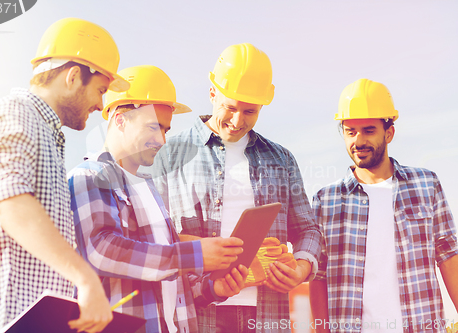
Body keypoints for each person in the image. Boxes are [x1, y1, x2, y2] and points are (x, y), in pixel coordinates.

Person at [0, 18, 129, 333]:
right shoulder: (16, 112)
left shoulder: (45, 133)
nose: (100, 104)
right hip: (2, 320)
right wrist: (84, 276)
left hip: (29, 321)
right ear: (73, 75)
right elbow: (9, 202)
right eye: (100, 90)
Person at [152, 43, 322, 333]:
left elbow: (308, 230)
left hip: (267, 315)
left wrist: (301, 268)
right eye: (229, 108)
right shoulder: (169, 153)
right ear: (212, 93)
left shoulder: (281, 159)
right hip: (194, 312)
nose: (237, 121)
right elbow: (153, 235)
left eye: (250, 111)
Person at [68, 65, 248, 333]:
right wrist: (195, 254)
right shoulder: (89, 176)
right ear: (120, 119)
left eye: (165, 129)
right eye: (153, 127)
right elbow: (100, 251)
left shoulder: (148, 188)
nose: (162, 140)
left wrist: (212, 289)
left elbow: (169, 282)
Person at [310, 78, 458, 333]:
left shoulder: (426, 184)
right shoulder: (327, 199)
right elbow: (319, 276)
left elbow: (448, 255)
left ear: (388, 132)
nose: (358, 141)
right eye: (350, 131)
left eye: (369, 130)